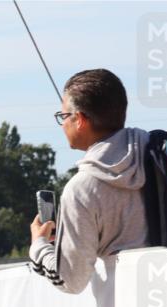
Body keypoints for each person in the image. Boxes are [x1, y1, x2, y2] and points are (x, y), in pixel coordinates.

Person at [30, 69, 149, 294]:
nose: (62, 124)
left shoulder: (81, 190)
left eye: (63, 116)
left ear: (81, 120)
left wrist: (39, 246)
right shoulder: (162, 157)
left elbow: (71, 280)